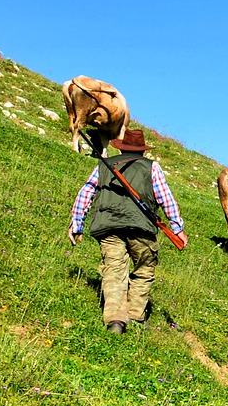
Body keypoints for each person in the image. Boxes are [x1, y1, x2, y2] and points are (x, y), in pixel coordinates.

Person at [67, 129, 187, 333]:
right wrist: (177, 227)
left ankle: (116, 320)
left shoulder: (104, 166)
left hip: (108, 226)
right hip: (141, 228)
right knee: (144, 269)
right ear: (142, 151)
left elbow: (86, 192)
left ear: (120, 148)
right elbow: (165, 198)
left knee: (113, 271)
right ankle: (135, 314)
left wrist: (77, 224)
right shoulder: (151, 167)